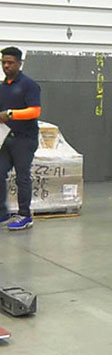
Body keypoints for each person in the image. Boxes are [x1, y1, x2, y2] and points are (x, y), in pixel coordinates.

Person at [0, 47, 41, 231]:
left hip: (25, 140)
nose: (6, 66)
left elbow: (35, 111)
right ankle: (2, 213)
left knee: (22, 177)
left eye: (10, 62)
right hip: (6, 139)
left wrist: (10, 114)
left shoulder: (29, 85)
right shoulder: (3, 87)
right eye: (3, 63)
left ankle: (25, 215)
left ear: (19, 63)